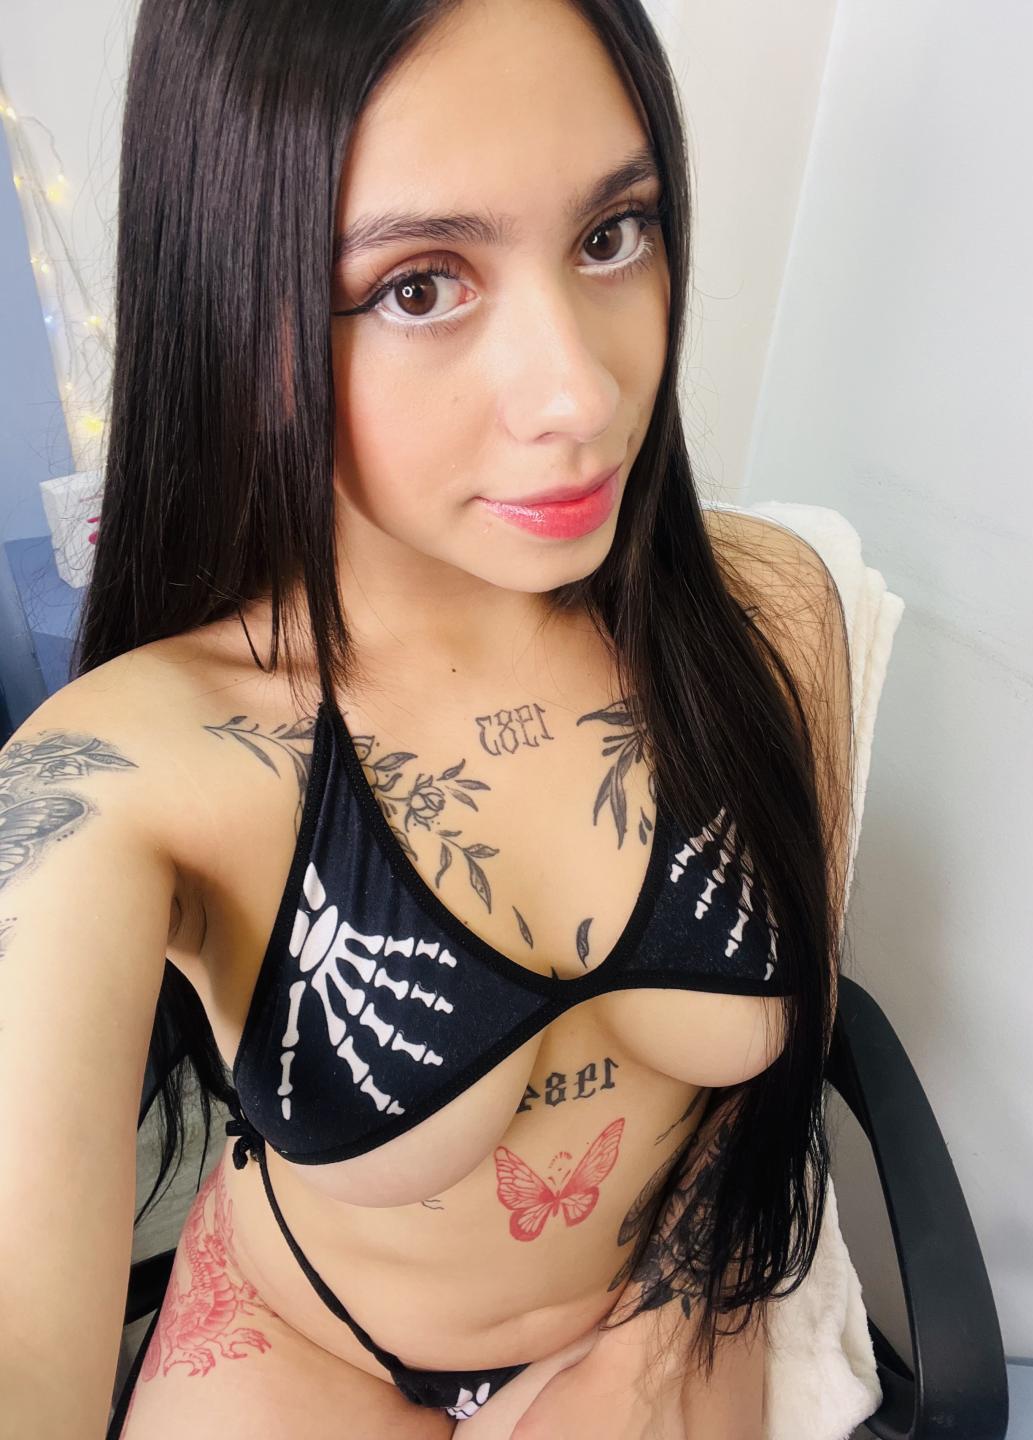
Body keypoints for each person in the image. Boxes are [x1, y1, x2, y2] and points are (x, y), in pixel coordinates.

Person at [0, 1, 857, 1437]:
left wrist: (652, 1351)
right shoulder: (129, 772)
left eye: (612, 234)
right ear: (237, 305)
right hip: (302, 1344)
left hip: (662, 1312)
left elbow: (781, 1066)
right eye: (417, 286)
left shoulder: (769, 616)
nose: (580, 394)